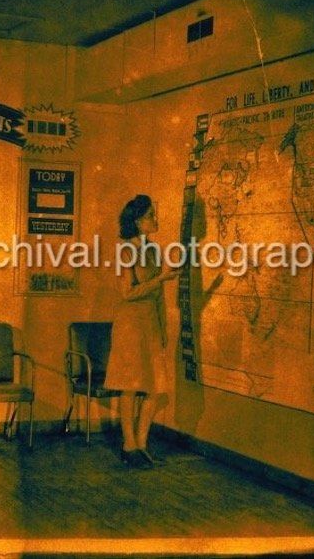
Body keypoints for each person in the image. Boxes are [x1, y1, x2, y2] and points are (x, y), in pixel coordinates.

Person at [104, 195, 180, 469]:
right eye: (150, 215)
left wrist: (163, 328)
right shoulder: (125, 250)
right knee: (131, 387)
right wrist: (160, 278)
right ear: (137, 221)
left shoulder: (153, 250)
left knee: (155, 389)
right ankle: (129, 446)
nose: (155, 220)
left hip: (150, 326)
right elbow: (127, 293)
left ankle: (142, 444)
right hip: (130, 327)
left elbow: (159, 296)